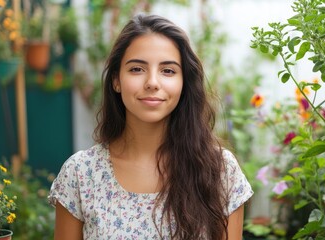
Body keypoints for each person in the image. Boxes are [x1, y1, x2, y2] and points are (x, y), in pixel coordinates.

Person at [48, 13, 253, 240]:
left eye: (168, 71)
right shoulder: (81, 174)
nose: (152, 83)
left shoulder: (221, 172)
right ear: (116, 80)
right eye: (137, 69)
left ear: (184, 82)